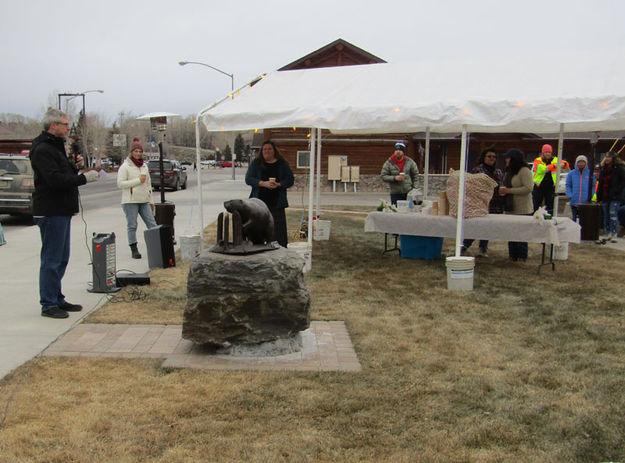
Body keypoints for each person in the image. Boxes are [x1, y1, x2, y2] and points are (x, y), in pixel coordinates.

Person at [29, 108, 99, 319]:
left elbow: (62, 173)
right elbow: (54, 180)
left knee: (61, 258)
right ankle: (48, 304)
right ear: (53, 126)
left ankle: (57, 297)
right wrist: (84, 179)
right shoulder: (42, 149)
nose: (69, 128)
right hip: (51, 211)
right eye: (65, 124)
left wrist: (73, 168)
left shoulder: (55, 147)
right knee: (51, 259)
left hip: (62, 210)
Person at [245, 141, 294, 247]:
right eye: (264, 149)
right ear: (261, 151)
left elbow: (290, 180)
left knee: (278, 233)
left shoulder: (282, 163)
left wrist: (279, 184)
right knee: (258, 231)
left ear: (274, 151)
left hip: (277, 204)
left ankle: (279, 253)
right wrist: (262, 183)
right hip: (258, 204)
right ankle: (258, 251)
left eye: (269, 149)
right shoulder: (256, 163)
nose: (267, 151)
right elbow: (248, 179)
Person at [117, 137, 158, 258]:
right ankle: (134, 248)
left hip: (144, 200)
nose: (138, 154)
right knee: (132, 225)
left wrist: (151, 201)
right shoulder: (125, 167)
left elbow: (148, 184)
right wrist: (137, 181)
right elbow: (120, 184)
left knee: (152, 224)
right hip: (130, 201)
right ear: (131, 152)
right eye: (136, 151)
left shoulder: (144, 166)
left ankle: (157, 246)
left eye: (140, 151)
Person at [462, 148, 504, 257]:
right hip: (480, 203)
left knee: (488, 227)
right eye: (489, 156)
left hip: (495, 203)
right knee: (477, 226)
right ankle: (465, 245)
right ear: (484, 158)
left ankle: (483, 248)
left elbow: (500, 185)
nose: (492, 159)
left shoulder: (498, 171)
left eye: (494, 157)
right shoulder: (477, 170)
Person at [499, 149, 533, 261]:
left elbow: (528, 188)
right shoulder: (509, 172)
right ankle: (513, 256)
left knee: (521, 235)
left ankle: (522, 256)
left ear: (514, 159)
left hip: (522, 209)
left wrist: (509, 191)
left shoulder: (524, 171)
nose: (506, 160)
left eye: (508, 158)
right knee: (511, 234)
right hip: (510, 208)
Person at [532, 144, 569, 215]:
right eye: (546, 152)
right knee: (536, 205)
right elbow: (542, 169)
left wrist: (563, 164)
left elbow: (566, 164)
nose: (548, 154)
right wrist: (554, 166)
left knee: (550, 206)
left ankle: (549, 219)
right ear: (543, 153)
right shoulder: (538, 160)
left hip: (551, 186)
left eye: (549, 152)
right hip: (539, 186)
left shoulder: (555, 159)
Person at [596, 151, 625, 242]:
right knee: (606, 215)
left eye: (609, 157)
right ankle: (607, 232)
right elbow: (600, 183)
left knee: (613, 214)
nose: (607, 159)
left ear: (613, 158)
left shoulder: (619, 168)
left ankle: (613, 233)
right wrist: (599, 196)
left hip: (615, 196)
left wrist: (617, 191)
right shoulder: (604, 169)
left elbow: (623, 181)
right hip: (605, 196)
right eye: (606, 157)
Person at [565, 155, 593, 222]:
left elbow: (593, 186)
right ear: (576, 163)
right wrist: (570, 195)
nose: (581, 164)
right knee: (573, 220)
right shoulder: (571, 174)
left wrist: (590, 196)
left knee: (584, 220)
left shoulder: (590, 174)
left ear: (586, 163)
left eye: (583, 162)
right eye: (579, 162)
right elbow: (568, 185)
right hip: (574, 200)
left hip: (585, 202)